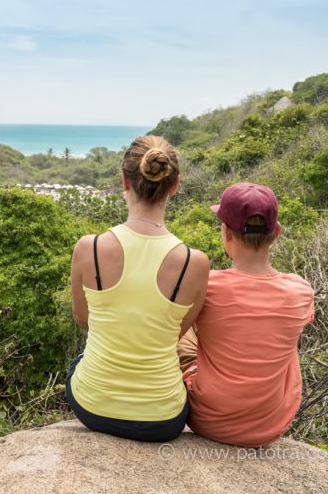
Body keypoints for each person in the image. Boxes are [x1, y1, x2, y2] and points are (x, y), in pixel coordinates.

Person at [67, 136, 210, 442]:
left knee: (77, 365)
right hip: (162, 419)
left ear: (123, 180)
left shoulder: (88, 248)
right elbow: (175, 333)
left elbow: (82, 318)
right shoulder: (194, 263)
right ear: (175, 185)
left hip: (91, 406)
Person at [179, 182, 315, 447]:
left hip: (207, 420)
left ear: (226, 233)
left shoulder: (209, 285)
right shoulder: (300, 290)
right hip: (269, 427)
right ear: (276, 232)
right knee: (283, 335)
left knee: (180, 335)